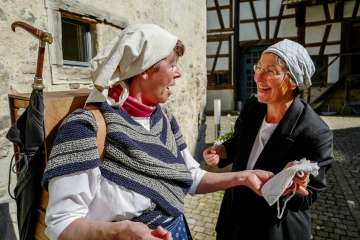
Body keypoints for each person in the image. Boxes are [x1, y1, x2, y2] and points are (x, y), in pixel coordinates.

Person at [42, 24, 273, 240]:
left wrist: (243, 177)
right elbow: (61, 223)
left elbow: (189, 176)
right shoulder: (85, 129)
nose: (179, 73)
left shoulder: (163, 119)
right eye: (172, 64)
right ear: (144, 70)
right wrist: (122, 231)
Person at [203, 39, 334, 240]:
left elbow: (309, 195)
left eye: (270, 71)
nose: (258, 76)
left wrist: (295, 187)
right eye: (259, 67)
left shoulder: (315, 132)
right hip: (232, 218)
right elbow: (238, 142)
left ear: (292, 81)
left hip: (271, 230)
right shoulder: (252, 107)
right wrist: (222, 152)